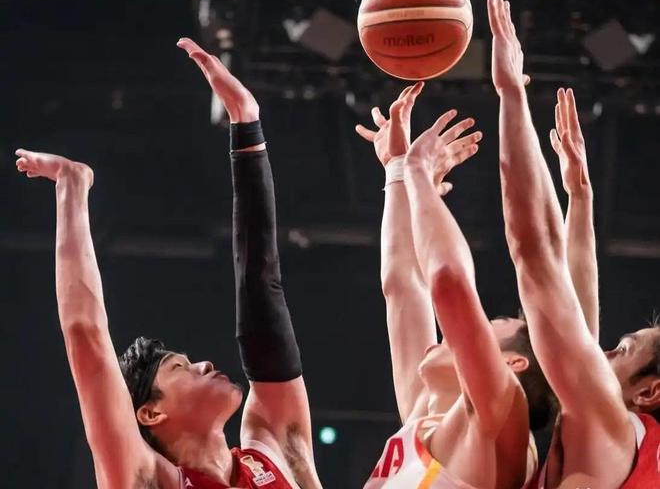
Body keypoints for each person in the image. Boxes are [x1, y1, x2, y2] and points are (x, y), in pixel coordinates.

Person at [14, 37, 322, 489]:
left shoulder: (276, 449)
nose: (205, 364)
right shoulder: (145, 478)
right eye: (181, 367)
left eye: (186, 363)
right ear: (149, 413)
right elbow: (86, 334)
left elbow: (262, 285)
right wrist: (71, 187)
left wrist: (246, 124)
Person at [488, 0, 660, 487]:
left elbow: (535, 256)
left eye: (623, 349)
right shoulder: (626, 443)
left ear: (647, 393)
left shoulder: (610, 424)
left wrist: (512, 97)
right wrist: (579, 200)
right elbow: (577, 321)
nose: (602, 351)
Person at [358, 84, 549, 488]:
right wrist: (396, 169)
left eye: (486, 326)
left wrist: (418, 173)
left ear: (511, 365)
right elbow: (403, 286)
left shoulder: (500, 419)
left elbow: (450, 283)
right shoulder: (426, 417)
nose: (450, 334)